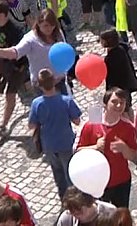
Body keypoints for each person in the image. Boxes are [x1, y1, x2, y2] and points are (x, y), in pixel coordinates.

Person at [77, 88, 137, 207]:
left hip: (121, 181)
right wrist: (95, 147)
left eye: (122, 102)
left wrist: (125, 148)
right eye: (114, 102)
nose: (119, 105)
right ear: (105, 104)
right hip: (97, 182)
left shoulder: (128, 127)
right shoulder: (91, 125)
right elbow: (78, 152)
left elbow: (134, 157)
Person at [28, 68, 81, 200]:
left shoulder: (37, 104)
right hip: (66, 143)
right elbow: (77, 121)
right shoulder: (66, 100)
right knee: (70, 173)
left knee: (58, 174)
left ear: (39, 85)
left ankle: (64, 199)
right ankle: (75, 200)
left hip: (49, 145)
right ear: (55, 82)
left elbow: (31, 125)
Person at [0, 9, 68, 89]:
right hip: (41, 86)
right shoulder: (30, 39)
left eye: (52, 25)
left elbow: (64, 52)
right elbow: (16, 52)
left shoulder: (58, 33)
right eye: (46, 25)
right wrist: (0, 52)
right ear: (39, 24)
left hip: (60, 80)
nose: (50, 29)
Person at [0, 0, 29, 135]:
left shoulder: (15, 31)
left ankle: (3, 126)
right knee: (28, 87)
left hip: (17, 68)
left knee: (10, 96)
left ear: (2, 14)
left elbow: (17, 54)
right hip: (5, 66)